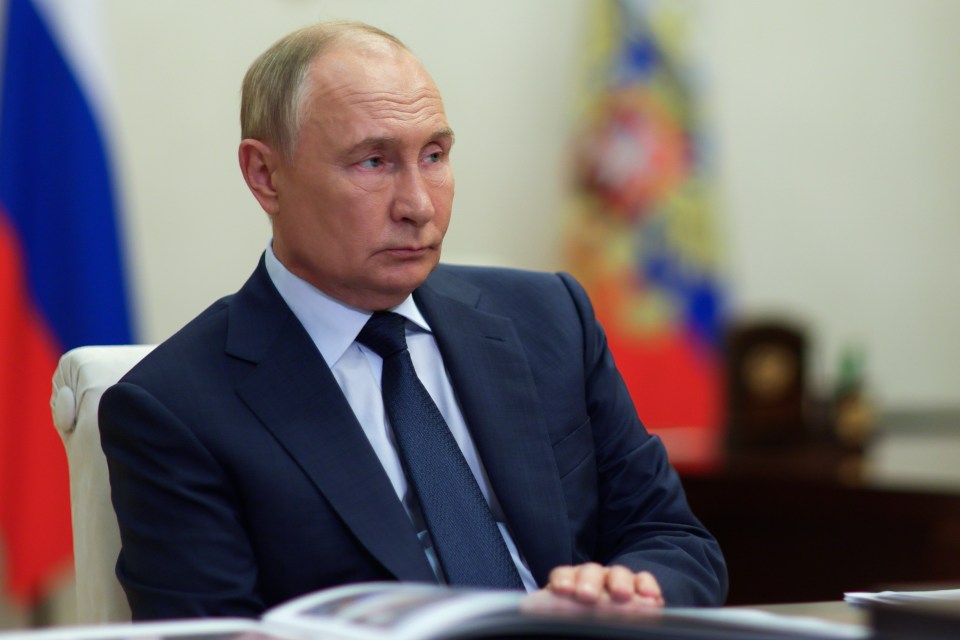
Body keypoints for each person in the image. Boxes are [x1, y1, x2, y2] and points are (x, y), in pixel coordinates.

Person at [99, 20, 727, 621]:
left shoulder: (551, 319)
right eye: (373, 162)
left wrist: (631, 589)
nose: (419, 205)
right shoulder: (175, 409)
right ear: (265, 175)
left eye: (434, 154)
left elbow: (675, 541)